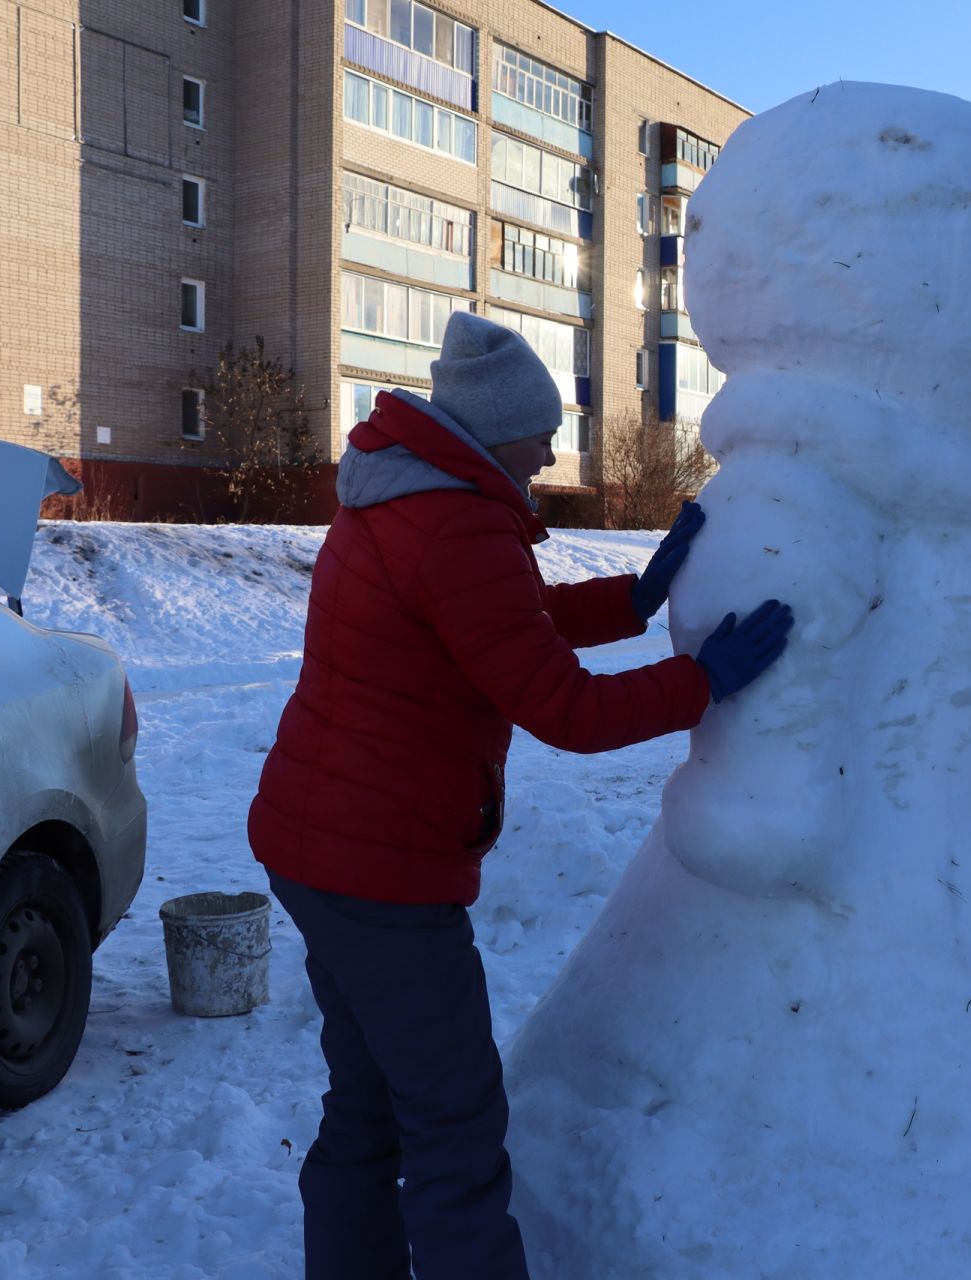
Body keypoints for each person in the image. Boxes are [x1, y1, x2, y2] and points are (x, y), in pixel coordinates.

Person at [248, 312, 794, 1278]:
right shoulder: (455, 522)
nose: (552, 449)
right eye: (543, 432)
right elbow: (564, 708)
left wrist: (633, 598)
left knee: (370, 1101)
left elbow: (511, 620)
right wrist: (704, 680)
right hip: (380, 866)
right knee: (453, 1119)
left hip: (320, 839)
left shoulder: (411, 494)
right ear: (495, 428)